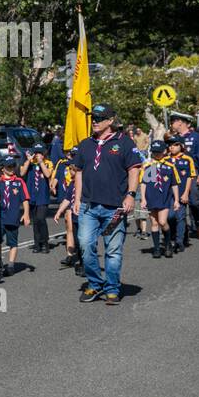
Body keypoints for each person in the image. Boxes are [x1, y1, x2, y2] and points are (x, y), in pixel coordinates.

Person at [71, 104, 143, 306]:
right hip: (88, 206)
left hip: (115, 207)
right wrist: (76, 199)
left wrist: (131, 195)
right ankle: (95, 283)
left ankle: (112, 288)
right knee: (85, 245)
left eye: (99, 118)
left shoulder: (125, 143)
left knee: (113, 250)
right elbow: (78, 172)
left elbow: (134, 170)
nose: (94, 121)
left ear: (111, 120)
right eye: (93, 117)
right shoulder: (85, 144)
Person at [140, 141, 182, 259]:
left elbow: (174, 184)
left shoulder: (170, 166)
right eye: (154, 152)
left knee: (163, 222)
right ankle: (157, 248)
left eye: (159, 152)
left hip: (164, 198)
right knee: (154, 222)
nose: (156, 154)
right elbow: (143, 183)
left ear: (164, 151)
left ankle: (168, 244)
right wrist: (143, 199)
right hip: (151, 197)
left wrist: (177, 200)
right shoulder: (149, 166)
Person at [0, 156, 30, 275]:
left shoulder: (19, 182)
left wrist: (26, 214)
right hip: (0, 217)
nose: (12, 168)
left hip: (13, 217)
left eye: (13, 166)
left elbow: (25, 199)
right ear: (2, 169)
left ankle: (11, 265)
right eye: (9, 166)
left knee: (13, 243)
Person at [169, 112, 199, 240]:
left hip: (193, 174)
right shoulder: (173, 138)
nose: (171, 125)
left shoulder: (196, 137)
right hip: (176, 176)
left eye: (173, 122)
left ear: (180, 122)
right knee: (177, 203)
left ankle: (198, 224)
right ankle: (182, 230)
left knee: (194, 203)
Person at [51, 151, 81, 271]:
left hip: (82, 214)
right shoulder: (72, 184)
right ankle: (73, 257)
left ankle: (83, 263)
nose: (68, 172)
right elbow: (68, 199)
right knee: (73, 234)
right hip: (73, 214)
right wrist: (59, 212)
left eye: (70, 170)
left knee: (81, 240)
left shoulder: (83, 183)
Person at [166, 133, 196, 253]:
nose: (171, 147)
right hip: (169, 194)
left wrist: (185, 193)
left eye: (174, 145)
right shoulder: (165, 159)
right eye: (169, 145)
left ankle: (179, 241)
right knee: (170, 216)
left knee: (180, 216)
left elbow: (190, 176)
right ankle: (175, 235)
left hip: (182, 192)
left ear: (181, 146)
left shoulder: (187, 159)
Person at [20, 145, 53, 254]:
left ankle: (45, 243)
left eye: (40, 153)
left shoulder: (48, 163)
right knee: (35, 221)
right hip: (32, 195)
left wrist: (41, 162)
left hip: (43, 196)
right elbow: (22, 173)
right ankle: (37, 243)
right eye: (36, 153)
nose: (38, 155)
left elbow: (48, 174)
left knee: (41, 219)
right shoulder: (30, 164)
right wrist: (28, 161)